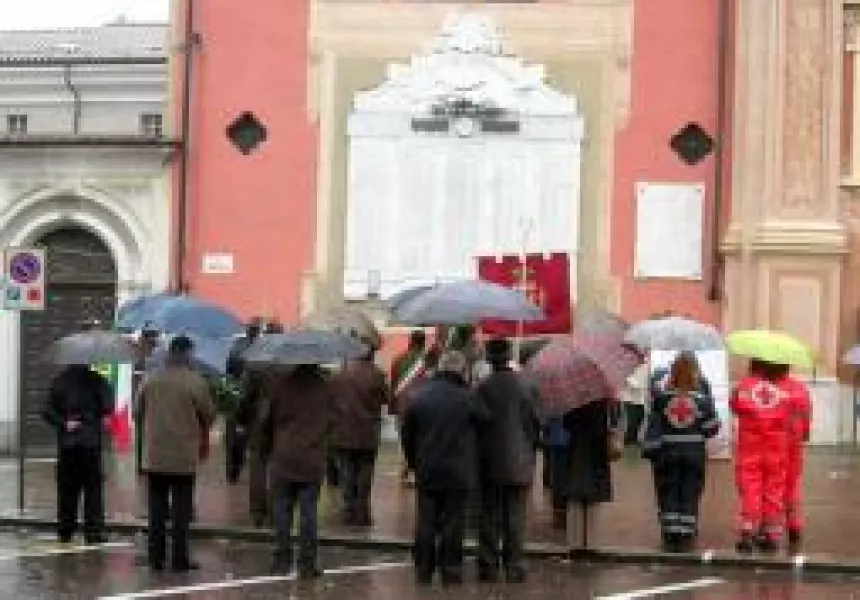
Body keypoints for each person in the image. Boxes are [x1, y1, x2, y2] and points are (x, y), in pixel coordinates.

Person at [401, 351, 489, 585]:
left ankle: (424, 568)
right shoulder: (468, 397)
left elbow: (407, 435)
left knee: (425, 520)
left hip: (427, 469)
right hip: (458, 472)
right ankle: (450, 570)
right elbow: (485, 422)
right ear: (461, 371)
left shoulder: (420, 396)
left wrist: (413, 462)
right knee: (453, 523)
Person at [135, 335, 216, 571]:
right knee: (181, 511)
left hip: (155, 456)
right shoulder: (195, 381)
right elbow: (209, 415)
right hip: (183, 456)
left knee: (156, 510)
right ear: (187, 353)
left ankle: (155, 558)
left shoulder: (150, 379)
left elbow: (137, 411)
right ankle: (179, 559)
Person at [258, 363, 335, 579]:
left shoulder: (280, 385)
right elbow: (334, 419)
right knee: (308, 513)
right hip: (312, 457)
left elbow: (265, 420)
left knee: (282, 511)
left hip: (283, 456)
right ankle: (307, 564)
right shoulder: (325, 387)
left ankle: (281, 561)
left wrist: (267, 445)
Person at [474, 338, 540, 582]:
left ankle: (488, 566)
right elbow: (535, 423)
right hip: (520, 459)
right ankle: (514, 565)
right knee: (515, 516)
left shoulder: (482, 387)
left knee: (489, 515)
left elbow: (477, 424)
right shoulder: (526, 385)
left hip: (490, 460)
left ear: (489, 359)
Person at [642, 352, 719, 552]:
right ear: (695, 373)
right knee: (690, 490)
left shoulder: (662, 398)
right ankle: (686, 531)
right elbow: (712, 428)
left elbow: (654, 420)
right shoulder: (702, 399)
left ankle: (670, 530)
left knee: (668, 489)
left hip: (667, 452)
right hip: (693, 452)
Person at [43, 364, 114, 544]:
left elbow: (47, 411)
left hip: (68, 444)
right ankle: (93, 532)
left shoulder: (58, 381)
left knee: (67, 489)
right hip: (90, 443)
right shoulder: (98, 380)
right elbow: (108, 407)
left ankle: (65, 529)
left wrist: (64, 422)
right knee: (93, 489)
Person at [730, 359, 793, 553]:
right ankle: (771, 534)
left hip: (750, 448)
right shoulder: (784, 390)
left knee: (750, 489)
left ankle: (748, 530)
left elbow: (735, 406)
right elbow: (789, 415)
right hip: (776, 448)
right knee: (773, 491)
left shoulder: (744, 386)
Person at [332, 341, 391, 526]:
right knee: (365, 473)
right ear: (371, 353)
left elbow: (332, 399)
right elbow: (386, 399)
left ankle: (348, 510)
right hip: (368, 432)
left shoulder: (340, 374)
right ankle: (362, 511)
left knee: (346, 472)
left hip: (344, 431)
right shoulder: (377, 375)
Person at [236, 321, 282, 526]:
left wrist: (240, 419)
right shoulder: (288, 364)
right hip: (283, 421)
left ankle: (257, 512)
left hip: (258, 421)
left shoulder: (255, 362)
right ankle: (275, 511)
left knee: (258, 466)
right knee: (277, 467)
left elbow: (245, 397)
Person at [562, 396, 620, 553]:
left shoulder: (573, 400)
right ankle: (593, 543)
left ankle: (575, 543)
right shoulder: (605, 400)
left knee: (575, 495)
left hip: (576, 449)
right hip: (597, 450)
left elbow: (566, 424)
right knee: (594, 496)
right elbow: (613, 422)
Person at [224, 318, 263, 484]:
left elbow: (229, 371)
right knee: (249, 439)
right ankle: (242, 470)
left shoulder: (237, 346)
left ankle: (233, 471)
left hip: (239, 395)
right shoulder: (262, 348)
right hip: (252, 399)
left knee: (236, 437)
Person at [390, 330, 430, 486]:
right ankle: (414, 470)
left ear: (411, 342)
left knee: (405, 438)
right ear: (423, 343)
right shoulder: (428, 362)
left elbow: (394, 385)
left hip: (403, 406)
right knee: (420, 438)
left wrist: (392, 408)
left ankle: (407, 468)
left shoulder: (398, 360)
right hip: (423, 406)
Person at [780, 367, 811, 550]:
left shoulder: (767, 387)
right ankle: (794, 524)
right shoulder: (799, 388)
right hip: (794, 442)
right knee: (792, 485)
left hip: (774, 440)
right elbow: (806, 414)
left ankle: (768, 527)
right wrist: (805, 433)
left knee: (772, 486)